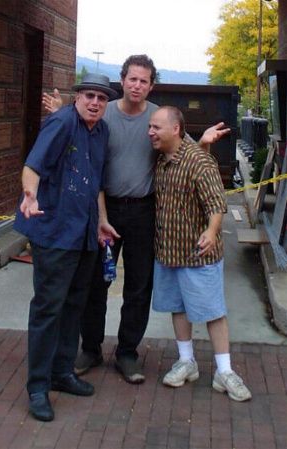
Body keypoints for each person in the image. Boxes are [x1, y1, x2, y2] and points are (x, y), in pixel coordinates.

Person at [43, 54, 230, 385]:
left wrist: (203, 143)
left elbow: (183, 151)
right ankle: (91, 348)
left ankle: (128, 353)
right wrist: (61, 112)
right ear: (123, 80)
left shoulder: (159, 117)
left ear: (151, 85)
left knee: (139, 287)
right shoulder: (105, 115)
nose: (137, 85)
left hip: (145, 211)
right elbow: (78, 132)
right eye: (132, 79)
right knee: (95, 283)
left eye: (144, 80)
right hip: (106, 210)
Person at [13, 73, 118, 421]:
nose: (95, 103)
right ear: (77, 97)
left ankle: (62, 372)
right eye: (89, 95)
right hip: (54, 232)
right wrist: (30, 193)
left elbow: (96, 183)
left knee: (74, 305)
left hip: (85, 233)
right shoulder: (60, 123)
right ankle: (38, 387)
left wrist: (101, 220)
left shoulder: (101, 131)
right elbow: (33, 166)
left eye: (102, 99)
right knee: (48, 309)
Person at [148, 106, 252, 402]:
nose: (151, 132)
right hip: (169, 251)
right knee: (178, 307)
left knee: (213, 311)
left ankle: (224, 371)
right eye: (150, 127)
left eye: (156, 127)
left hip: (198, 255)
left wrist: (211, 231)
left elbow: (217, 204)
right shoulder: (161, 161)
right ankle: (186, 361)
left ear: (176, 129)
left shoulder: (199, 162)